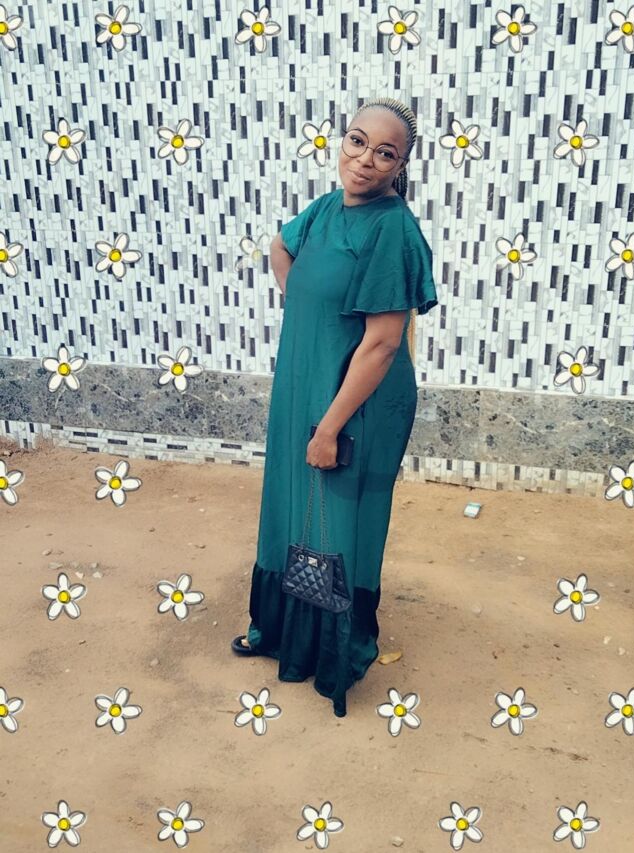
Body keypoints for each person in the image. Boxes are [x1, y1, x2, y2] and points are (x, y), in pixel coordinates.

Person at [231, 97, 438, 718]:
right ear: (341, 142)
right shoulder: (325, 210)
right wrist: (302, 300)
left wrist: (328, 428)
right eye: (357, 141)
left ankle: (332, 653)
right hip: (305, 385)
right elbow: (280, 246)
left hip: (354, 403)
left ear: (400, 166)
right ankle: (283, 635)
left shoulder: (391, 229)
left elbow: (382, 343)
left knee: (336, 525)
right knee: (292, 508)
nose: (365, 159)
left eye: (385, 152)